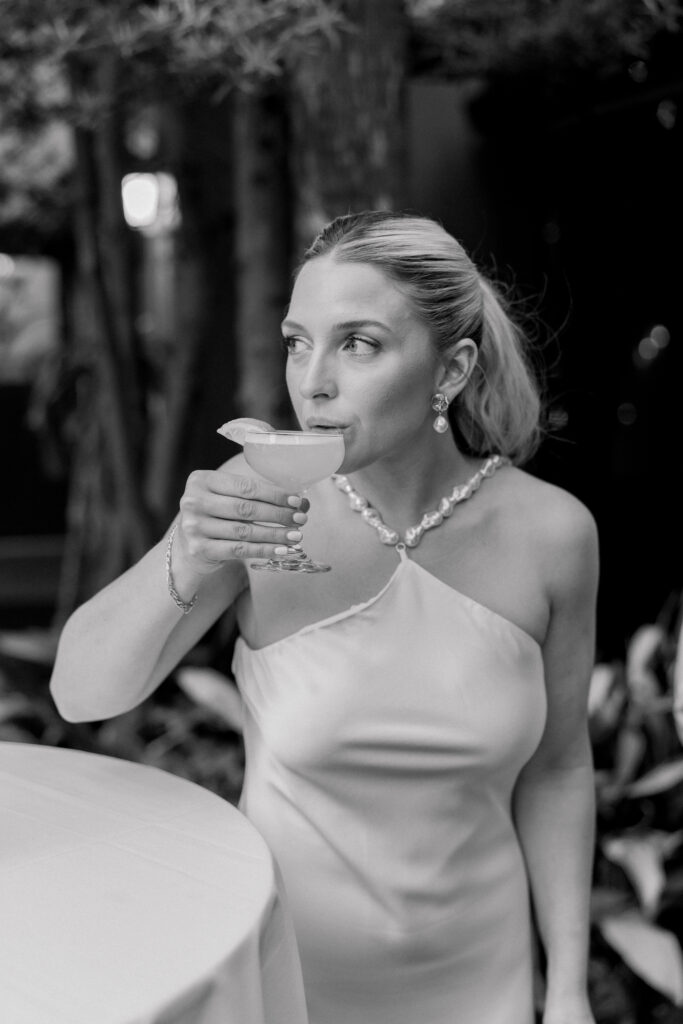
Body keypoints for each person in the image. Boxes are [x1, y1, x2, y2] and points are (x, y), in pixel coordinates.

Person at [50, 210, 599, 1024]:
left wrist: (565, 991)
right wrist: (187, 550)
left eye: (358, 343)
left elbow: (557, 770)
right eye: (296, 341)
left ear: (450, 369)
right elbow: (80, 695)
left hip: (484, 983)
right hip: (283, 985)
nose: (312, 382)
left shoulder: (553, 535)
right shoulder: (255, 506)